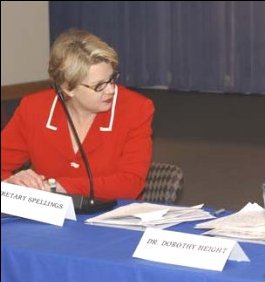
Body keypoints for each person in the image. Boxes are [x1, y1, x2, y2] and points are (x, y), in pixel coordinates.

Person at [1, 29, 154, 202]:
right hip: (47, 221)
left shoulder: (135, 108)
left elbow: (130, 184)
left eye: (112, 79)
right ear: (68, 88)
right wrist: (12, 183)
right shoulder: (34, 109)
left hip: (111, 216)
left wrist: (55, 186)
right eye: (99, 86)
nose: (111, 89)